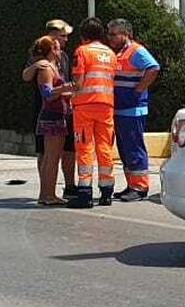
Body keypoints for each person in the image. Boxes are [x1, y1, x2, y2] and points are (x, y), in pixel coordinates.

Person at [21, 19, 78, 198]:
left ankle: (66, 188)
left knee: (68, 150)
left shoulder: (63, 57)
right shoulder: (41, 60)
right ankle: (46, 192)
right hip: (48, 111)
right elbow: (42, 88)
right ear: (52, 35)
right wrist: (64, 88)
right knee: (48, 155)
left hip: (63, 110)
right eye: (62, 36)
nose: (66, 40)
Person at [107, 18, 160, 202]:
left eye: (114, 34)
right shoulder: (119, 52)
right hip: (121, 108)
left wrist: (138, 89)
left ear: (125, 34)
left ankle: (140, 187)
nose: (110, 38)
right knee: (125, 149)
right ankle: (131, 185)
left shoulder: (136, 50)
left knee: (134, 147)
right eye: (109, 34)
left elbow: (153, 68)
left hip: (132, 108)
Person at [67, 18, 118, 209]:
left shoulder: (82, 52)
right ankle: (106, 192)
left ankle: (85, 193)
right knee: (105, 147)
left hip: (85, 106)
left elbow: (79, 83)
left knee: (85, 147)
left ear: (83, 35)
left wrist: (69, 90)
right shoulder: (110, 54)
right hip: (106, 105)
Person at [30, 35, 72, 206]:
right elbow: (47, 93)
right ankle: (48, 194)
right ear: (49, 51)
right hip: (51, 116)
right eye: (55, 48)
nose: (59, 50)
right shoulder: (46, 68)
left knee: (51, 157)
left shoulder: (56, 67)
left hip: (57, 114)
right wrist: (64, 88)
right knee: (52, 158)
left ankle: (47, 193)